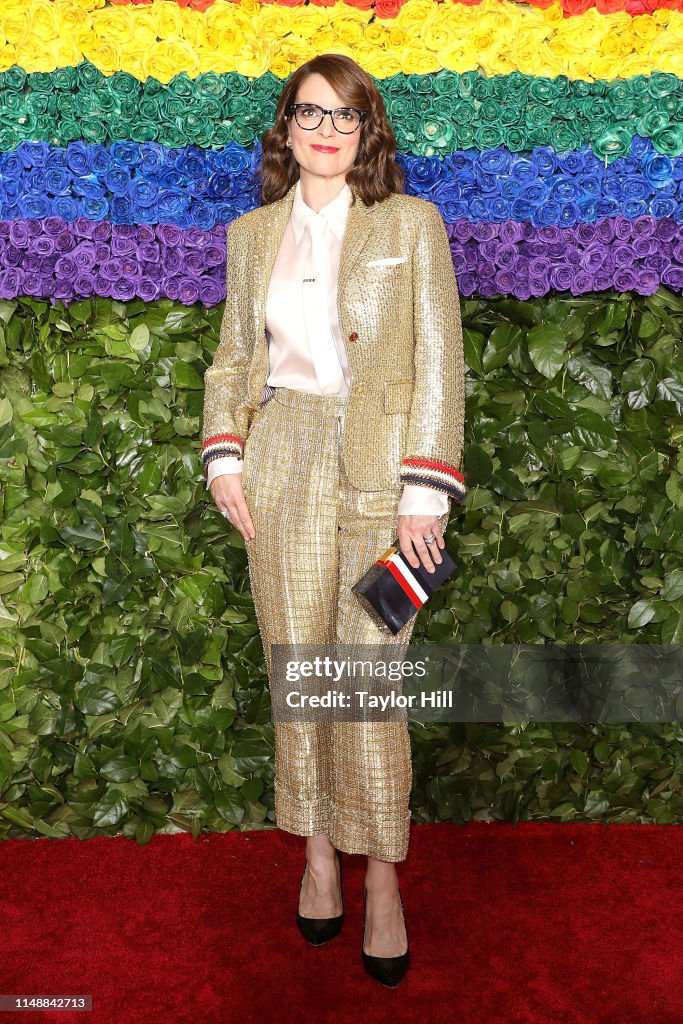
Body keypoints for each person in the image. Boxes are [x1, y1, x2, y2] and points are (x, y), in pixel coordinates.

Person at [200, 53, 465, 987]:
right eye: (309, 112)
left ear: (366, 132)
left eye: (344, 116)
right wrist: (224, 453)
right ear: (285, 126)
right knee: (300, 671)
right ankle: (317, 856)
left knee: (369, 683)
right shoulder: (248, 235)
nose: (324, 129)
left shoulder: (410, 225)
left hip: (389, 476)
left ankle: (382, 876)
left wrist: (424, 489)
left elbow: (440, 360)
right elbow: (234, 363)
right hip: (281, 466)